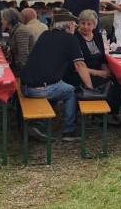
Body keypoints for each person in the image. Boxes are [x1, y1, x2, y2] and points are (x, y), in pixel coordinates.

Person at [20, 11, 94, 141]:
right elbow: (80, 66)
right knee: (70, 91)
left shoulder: (45, 34)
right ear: (70, 25)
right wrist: (90, 88)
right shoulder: (70, 39)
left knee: (57, 85)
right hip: (41, 89)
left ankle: (38, 124)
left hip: (25, 86)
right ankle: (69, 132)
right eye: (75, 25)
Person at [66, 10, 121, 118]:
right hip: (81, 75)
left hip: (97, 71)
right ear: (78, 23)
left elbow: (102, 58)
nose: (85, 26)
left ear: (94, 25)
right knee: (107, 84)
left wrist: (106, 71)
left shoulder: (98, 36)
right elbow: (76, 66)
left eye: (89, 24)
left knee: (120, 81)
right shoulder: (74, 38)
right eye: (83, 23)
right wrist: (99, 73)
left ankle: (113, 113)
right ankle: (102, 114)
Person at [2, 8, 34, 75]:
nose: (1, 21)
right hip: (17, 65)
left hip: (23, 69)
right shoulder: (15, 29)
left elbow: (23, 56)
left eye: (3, 19)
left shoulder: (20, 31)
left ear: (8, 20)